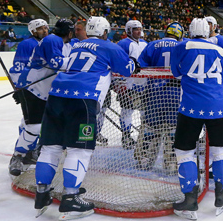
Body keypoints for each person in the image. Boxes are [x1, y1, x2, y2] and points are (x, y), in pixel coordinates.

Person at [34, 17, 137, 219]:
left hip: (56, 97)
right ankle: (70, 198)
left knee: (50, 148)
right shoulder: (110, 47)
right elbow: (127, 69)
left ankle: (41, 194)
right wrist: (133, 62)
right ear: (106, 31)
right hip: (83, 100)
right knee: (79, 150)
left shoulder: (77, 46)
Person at [170, 18, 223, 219]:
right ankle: (222, 196)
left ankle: (189, 200)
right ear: (208, 31)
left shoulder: (182, 46)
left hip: (190, 107)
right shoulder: (222, 51)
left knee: (184, 151)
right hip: (219, 106)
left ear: (189, 30)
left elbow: (175, 72)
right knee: (220, 151)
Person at [10, 19, 74, 177]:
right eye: (40, 28)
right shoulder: (51, 40)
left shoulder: (67, 43)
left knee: (42, 125)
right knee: (33, 126)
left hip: (48, 91)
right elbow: (56, 63)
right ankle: (18, 156)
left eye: (46, 27)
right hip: (33, 88)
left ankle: (32, 150)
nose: (44, 30)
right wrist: (18, 86)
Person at [134, 22, 184, 170]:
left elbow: (140, 69)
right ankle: (172, 163)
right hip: (176, 94)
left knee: (151, 126)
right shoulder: (183, 46)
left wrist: (137, 89)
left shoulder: (152, 45)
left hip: (154, 93)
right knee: (174, 129)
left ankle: (144, 159)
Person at [116, 20, 148, 149]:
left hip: (144, 83)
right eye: (136, 29)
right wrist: (119, 83)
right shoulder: (123, 44)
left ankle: (144, 137)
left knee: (144, 112)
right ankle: (126, 136)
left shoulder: (146, 44)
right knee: (127, 111)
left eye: (140, 29)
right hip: (128, 84)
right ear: (129, 31)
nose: (139, 31)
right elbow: (118, 62)